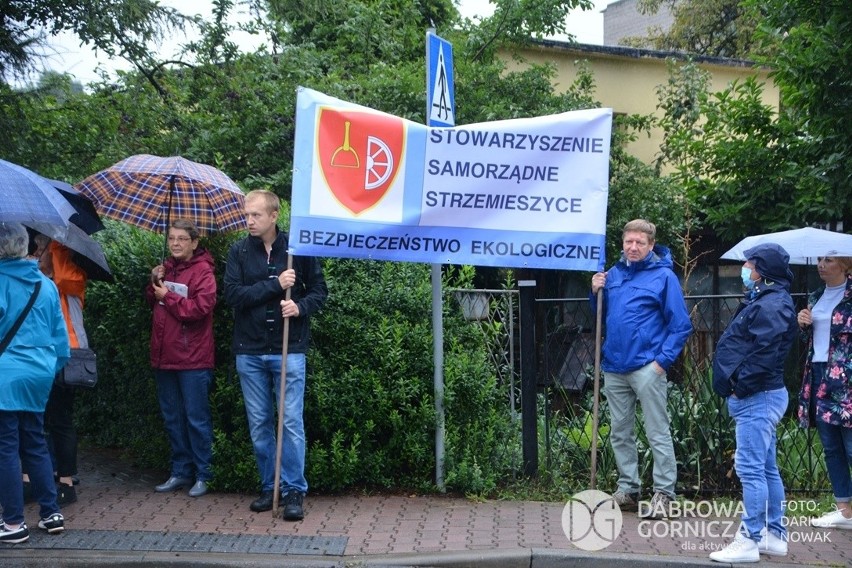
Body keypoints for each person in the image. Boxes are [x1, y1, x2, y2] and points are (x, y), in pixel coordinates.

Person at [224, 189, 327, 520]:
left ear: (273, 216)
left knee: (291, 422)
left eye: (255, 215)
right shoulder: (239, 252)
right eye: (247, 215)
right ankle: (270, 487)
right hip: (249, 350)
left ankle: (294, 489)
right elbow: (233, 295)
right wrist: (275, 284)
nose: (249, 221)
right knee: (259, 424)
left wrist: (298, 306)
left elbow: (319, 292)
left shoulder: (299, 251)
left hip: (289, 349)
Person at [590, 219, 692, 519]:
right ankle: (629, 489)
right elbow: (601, 315)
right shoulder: (613, 274)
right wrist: (594, 291)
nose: (633, 247)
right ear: (622, 243)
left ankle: (664, 494)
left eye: (640, 243)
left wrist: (661, 363)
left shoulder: (664, 277)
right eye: (629, 242)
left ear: (650, 246)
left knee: (656, 431)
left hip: (647, 367)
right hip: (614, 366)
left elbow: (681, 325)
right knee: (620, 432)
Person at [709, 243, 798, 563]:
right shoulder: (767, 299)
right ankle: (774, 536)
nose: (745, 267)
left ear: (762, 268)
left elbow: (765, 352)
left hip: (757, 397)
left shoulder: (773, 304)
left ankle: (749, 539)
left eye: (749, 262)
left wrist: (740, 387)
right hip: (759, 395)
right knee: (766, 468)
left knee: (750, 470)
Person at [0, 222, 69, 543]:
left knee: (6, 448)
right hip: (40, 373)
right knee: (35, 441)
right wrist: (47, 369)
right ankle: (51, 512)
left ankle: (13, 524)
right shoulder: (46, 284)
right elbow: (60, 340)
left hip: (6, 374)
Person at [145, 219, 217, 498]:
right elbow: (152, 303)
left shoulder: (204, 272)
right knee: (172, 418)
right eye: (172, 238)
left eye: (182, 239)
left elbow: (199, 309)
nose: (175, 243)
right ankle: (180, 471)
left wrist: (168, 296)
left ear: (194, 242)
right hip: (164, 357)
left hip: (193, 359)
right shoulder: (166, 268)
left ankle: (204, 473)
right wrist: (154, 283)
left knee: (196, 419)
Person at [796, 255, 852, 530]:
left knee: (851, 446)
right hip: (818, 373)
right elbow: (811, 340)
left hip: (846, 378)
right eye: (819, 259)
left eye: (828, 259)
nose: (821, 264)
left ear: (843, 264)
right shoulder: (816, 295)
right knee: (831, 447)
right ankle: (845, 511)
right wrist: (803, 323)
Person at [41, 240, 90, 505]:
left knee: (59, 420)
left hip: (66, 355)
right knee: (44, 421)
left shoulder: (71, 276)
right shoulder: (41, 280)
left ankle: (66, 479)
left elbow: (63, 278)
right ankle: (45, 475)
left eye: (42, 251)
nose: (38, 255)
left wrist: (55, 247)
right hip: (47, 355)